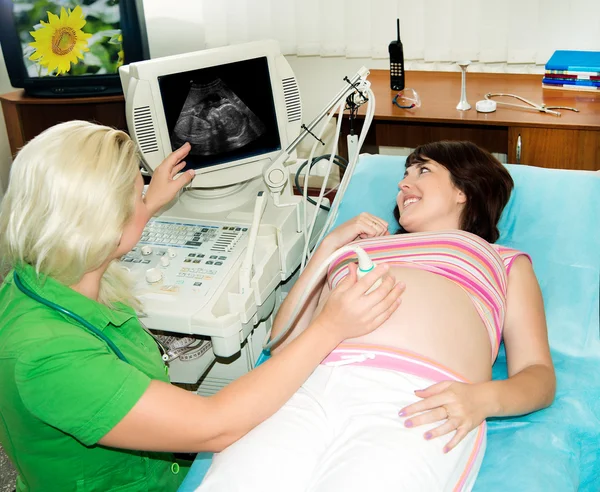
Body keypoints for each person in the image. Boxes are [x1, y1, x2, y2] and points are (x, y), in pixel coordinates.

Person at [0, 120, 405, 492]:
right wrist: (330, 327)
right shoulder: (49, 357)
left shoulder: (44, 269)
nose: (143, 194)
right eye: (133, 192)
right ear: (102, 222)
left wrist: (148, 204)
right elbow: (215, 427)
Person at [197, 141, 556, 492]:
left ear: (464, 189)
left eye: (423, 170)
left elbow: (537, 374)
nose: (403, 183)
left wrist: (483, 399)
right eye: (405, 173)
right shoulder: (359, 248)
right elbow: (283, 342)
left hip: (417, 399)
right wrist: (330, 247)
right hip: (304, 384)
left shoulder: (501, 259)